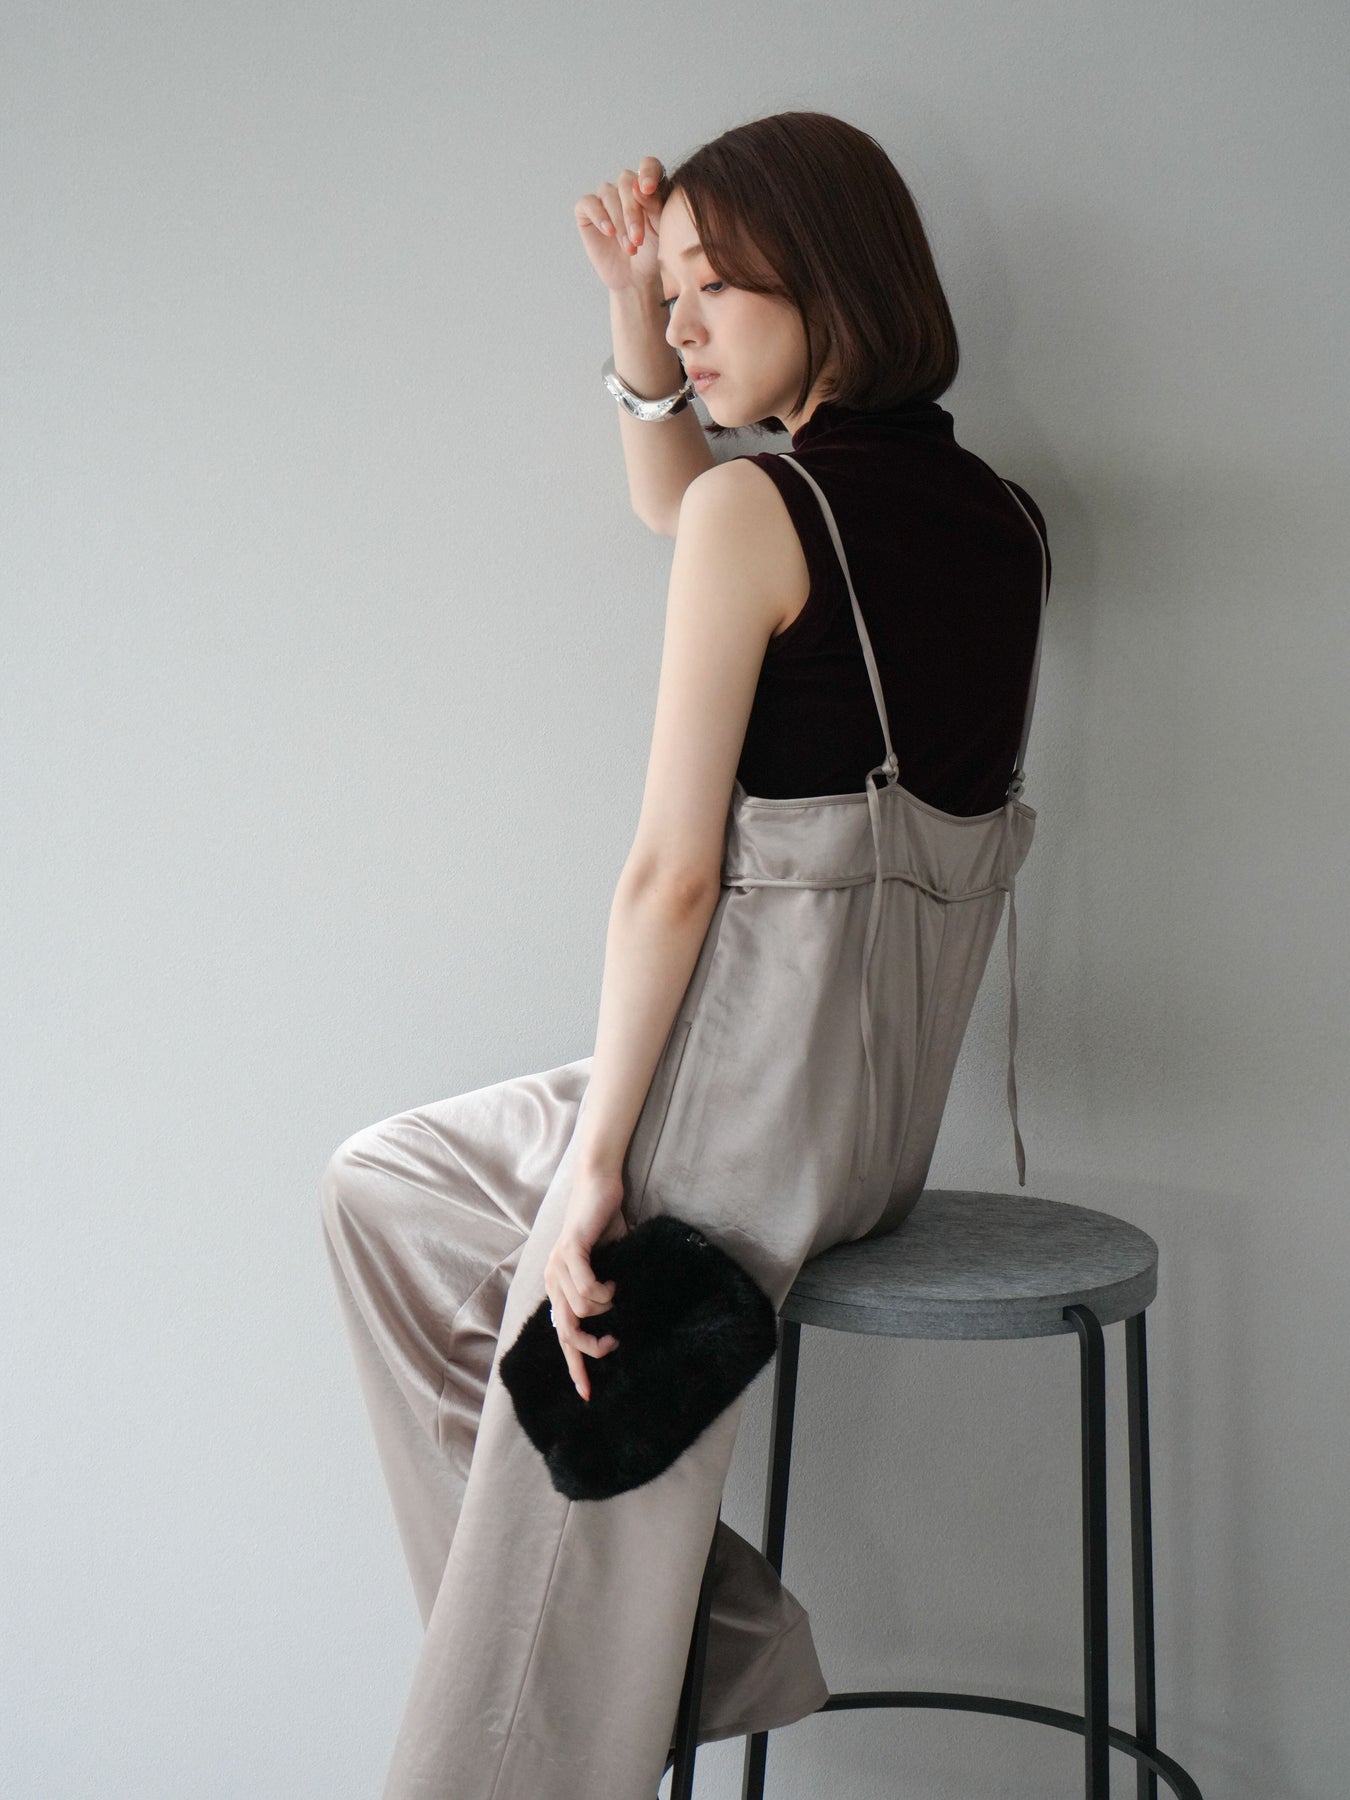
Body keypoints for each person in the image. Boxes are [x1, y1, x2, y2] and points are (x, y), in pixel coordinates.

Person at [320, 110, 1051, 1798]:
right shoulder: (1006, 520)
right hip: (864, 1134)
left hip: (728, 1120)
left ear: (830, 279)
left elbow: (670, 878)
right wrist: (629, 320)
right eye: (673, 292)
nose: (683, 321)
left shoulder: (761, 511)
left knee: (559, 1406)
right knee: (388, 1182)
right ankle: (705, 1644)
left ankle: (584, 1706)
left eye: (713, 287)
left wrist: (598, 1162)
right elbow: (691, 500)